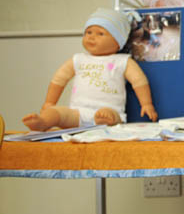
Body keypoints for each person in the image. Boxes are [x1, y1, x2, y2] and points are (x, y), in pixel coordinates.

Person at [22, 8, 158, 131]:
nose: (91, 37)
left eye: (100, 34)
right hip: (77, 113)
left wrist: (146, 104)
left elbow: (139, 81)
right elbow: (59, 79)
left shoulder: (122, 61)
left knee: (110, 115)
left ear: (118, 41)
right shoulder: (79, 59)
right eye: (88, 32)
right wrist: (50, 103)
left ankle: (103, 122)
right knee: (57, 113)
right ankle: (43, 122)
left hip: (109, 110)